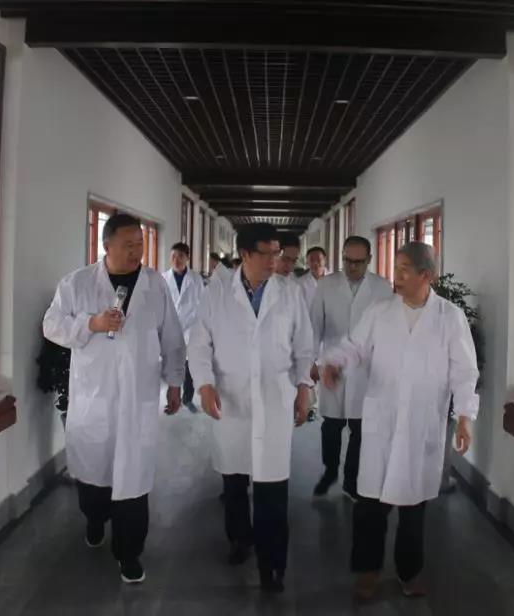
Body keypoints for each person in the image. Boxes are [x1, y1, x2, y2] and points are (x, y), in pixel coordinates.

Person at [321, 242, 479, 601]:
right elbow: (354, 346)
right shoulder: (380, 312)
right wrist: (335, 363)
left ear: (426, 276)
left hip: (421, 424)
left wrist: (465, 417)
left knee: (413, 508)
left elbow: (464, 371)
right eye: (396, 267)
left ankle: (409, 573)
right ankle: (367, 571)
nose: (397, 275)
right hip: (382, 420)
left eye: (405, 269)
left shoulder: (449, 317)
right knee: (369, 506)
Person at [42, 213, 186, 585]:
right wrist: (90, 324)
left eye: (140, 244)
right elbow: (51, 325)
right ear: (106, 245)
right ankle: (94, 518)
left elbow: (172, 337)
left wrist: (174, 383)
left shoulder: (154, 284)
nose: (137, 251)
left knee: (133, 482)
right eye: (128, 245)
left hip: (138, 398)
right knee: (94, 478)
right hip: (95, 397)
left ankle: (129, 553)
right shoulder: (77, 283)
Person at [188, 222, 315, 594]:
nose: (275, 260)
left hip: (275, 399)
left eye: (278, 253)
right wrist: (205, 383)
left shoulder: (289, 293)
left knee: (273, 490)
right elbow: (199, 344)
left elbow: (304, 347)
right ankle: (240, 539)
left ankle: (273, 565)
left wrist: (304, 388)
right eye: (267, 253)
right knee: (234, 480)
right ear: (244, 254)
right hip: (232, 398)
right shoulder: (217, 293)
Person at [309, 236, 393, 500]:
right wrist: (313, 361)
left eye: (358, 262)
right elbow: (314, 325)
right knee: (331, 426)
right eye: (347, 260)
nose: (352, 266)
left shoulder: (382, 287)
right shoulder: (326, 284)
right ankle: (330, 471)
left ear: (369, 260)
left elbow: (387, 331)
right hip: (331, 363)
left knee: (360, 428)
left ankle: (351, 480)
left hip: (365, 369)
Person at [163, 242, 205, 411]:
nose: (176, 260)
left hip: (191, 329)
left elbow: (202, 304)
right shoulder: (163, 279)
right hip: (171, 327)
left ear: (187, 258)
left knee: (190, 365)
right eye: (173, 256)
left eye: (180, 256)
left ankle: (188, 398)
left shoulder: (196, 279)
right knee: (172, 363)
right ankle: (174, 397)